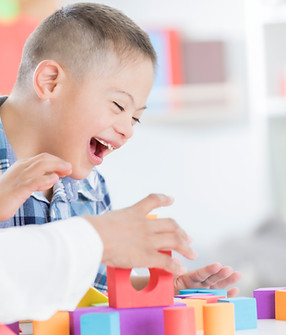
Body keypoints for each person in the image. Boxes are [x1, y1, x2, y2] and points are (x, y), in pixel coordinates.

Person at [0, 2, 240, 322]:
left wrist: (160, 287)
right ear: (50, 82)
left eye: (136, 119)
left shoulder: (89, 187)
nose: (127, 131)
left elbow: (90, 290)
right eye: (117, 105)